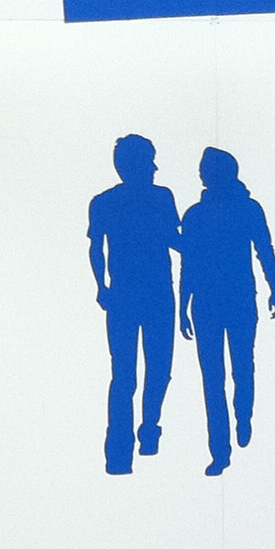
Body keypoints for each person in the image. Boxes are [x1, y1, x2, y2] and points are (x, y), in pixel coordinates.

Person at [178, 148, 275, 477]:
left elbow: (264, 249)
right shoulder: (194, 215)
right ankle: (219, 450)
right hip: (207, 303)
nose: (201, 174)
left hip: (238, 300)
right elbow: (188, 263)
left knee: (242, 367)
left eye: (206, 169)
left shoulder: (248, 209)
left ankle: (243, 416)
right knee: (213, 379)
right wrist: (183, 305)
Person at [86, 135, 183, 474]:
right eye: (150, 160)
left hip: (145, 295)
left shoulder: (159, 197)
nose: (155, 167)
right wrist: (101, 285)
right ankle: (122, 449)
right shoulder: (108, 202)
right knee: (128, 374)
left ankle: (146, 431)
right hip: (137, 295)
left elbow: (172, 238)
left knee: (151, 370)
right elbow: (96, 247)